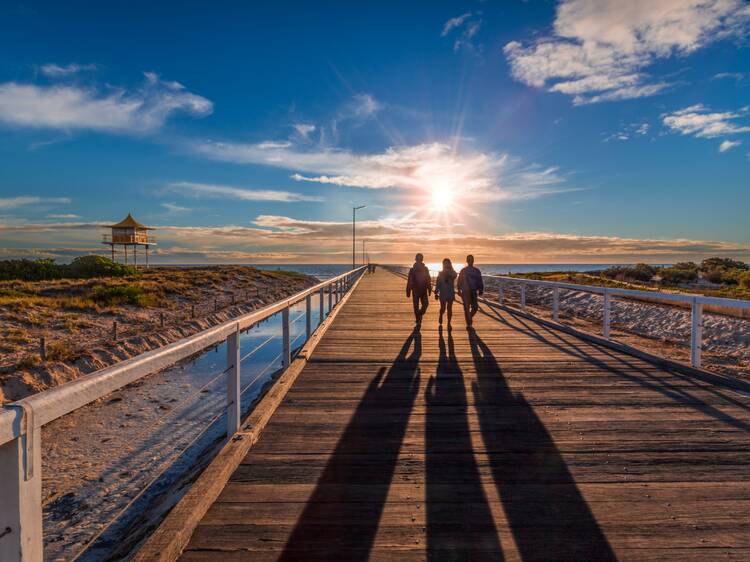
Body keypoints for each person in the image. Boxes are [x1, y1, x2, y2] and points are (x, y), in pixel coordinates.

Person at [457, 254, 483, 329]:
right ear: (467, 261)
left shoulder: (476, 271)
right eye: (469, 259)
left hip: (473, 291)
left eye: (471, 259)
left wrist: (481, 289)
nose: (470, 260)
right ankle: (469, 324)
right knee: (466, 308)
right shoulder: (463, 270)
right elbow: (459, 281)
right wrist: (458, 290)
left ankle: (469, 318)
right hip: (465, 291)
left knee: (475, 307)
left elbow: (479, 280)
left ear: (473, 260)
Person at [406, 253, 432, 326]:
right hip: (415, 290)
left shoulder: (425, 269)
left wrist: (429, 288)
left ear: (422, 259)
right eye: (418, 258)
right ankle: (417, 319)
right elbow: (410, 281)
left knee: (426, 304)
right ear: (416, 259)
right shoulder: (412, 269)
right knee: (416, 306)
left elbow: (428, 279)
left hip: (423, 290)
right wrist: (408, 290)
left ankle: (420, 313)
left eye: (420, 258)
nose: (419, 260)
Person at [434, 258, 456, 329]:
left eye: (447, 263)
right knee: (443, 308)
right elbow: (438, 283)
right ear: (443, 264)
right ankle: (441, 315)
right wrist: (436, 292)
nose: (446, 264)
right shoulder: (440, 273)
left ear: (449, 264)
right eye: (445, 263)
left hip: (450, 292)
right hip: (443, 292)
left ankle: (449, 323)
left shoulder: (452, 272)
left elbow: (454, 276)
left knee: (449, 308)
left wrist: (448, 273)